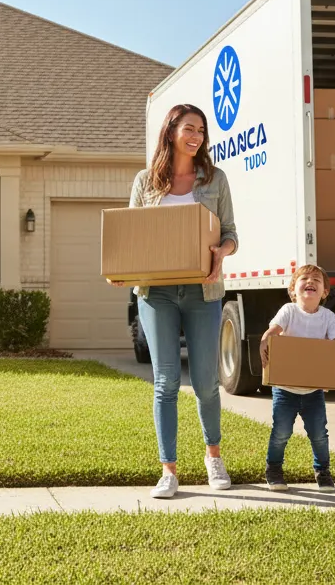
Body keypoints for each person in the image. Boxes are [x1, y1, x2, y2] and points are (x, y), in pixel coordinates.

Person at [114, 103, 238, 499]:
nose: (196, 136)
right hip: (157, 292)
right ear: (171, 132)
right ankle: (168, 470)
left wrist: (221, 253)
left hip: (203, 290)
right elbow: (133, 235)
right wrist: (124, 269)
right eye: (189, 128)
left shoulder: (214, 179)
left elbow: (231, 232)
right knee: (165, 382)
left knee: (205, 382)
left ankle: (213, 456)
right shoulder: (146, 181)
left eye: (201, 129)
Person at [259, 264, 335, 492]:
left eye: (316, 280)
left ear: (325, 292)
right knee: (281, 432)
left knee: (319, 433)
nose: (310, 281)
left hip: (313, 391)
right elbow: (274, 331)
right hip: (284, 389)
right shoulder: (289, 311)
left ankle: (323, 471)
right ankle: (274, 470)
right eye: (304, 278)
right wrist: (266, 339)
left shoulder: (328, 317)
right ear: (293, 290)